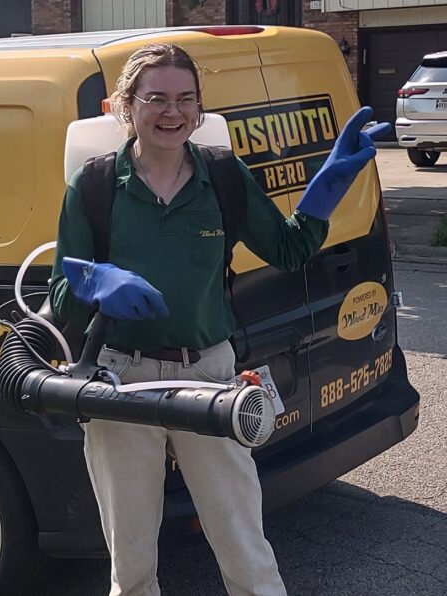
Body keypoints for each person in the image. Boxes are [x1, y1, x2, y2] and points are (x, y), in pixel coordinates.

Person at [49, 43, 389, 596]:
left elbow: (288, 247)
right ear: (125, 107)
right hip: (120, 384)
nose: (172, 112)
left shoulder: (223, 177)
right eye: (155, 98)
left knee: (245, 548)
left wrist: (329, 184)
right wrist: (95, 284)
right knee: (130, 564)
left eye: (185, 99)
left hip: (208, 374)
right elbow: (61, 296)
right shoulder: (91, 187)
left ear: (200, 107)